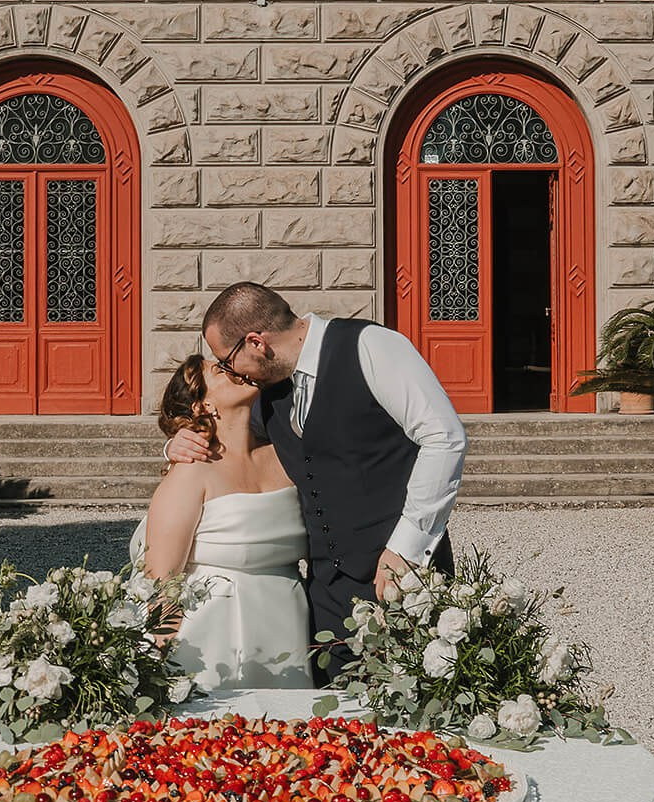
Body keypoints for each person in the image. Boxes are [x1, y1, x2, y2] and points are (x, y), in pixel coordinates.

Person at [164, 283, 468, 679]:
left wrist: (407, 548)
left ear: (256, 342)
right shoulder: (270, 394)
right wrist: (175, 445)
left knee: (418, 717)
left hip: (402, 576)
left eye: (226, 361)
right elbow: (232, 442)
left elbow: (444, 437)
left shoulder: (371, 346)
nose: (230, 373)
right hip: (326, 591)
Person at [132, 352, 312, 691]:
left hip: (287, 621)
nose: (235, 369)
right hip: (211, 634)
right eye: (220, 369)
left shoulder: (285, 454)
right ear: (202, 405)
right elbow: (161, 578)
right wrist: (157, 671)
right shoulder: (191, 470)